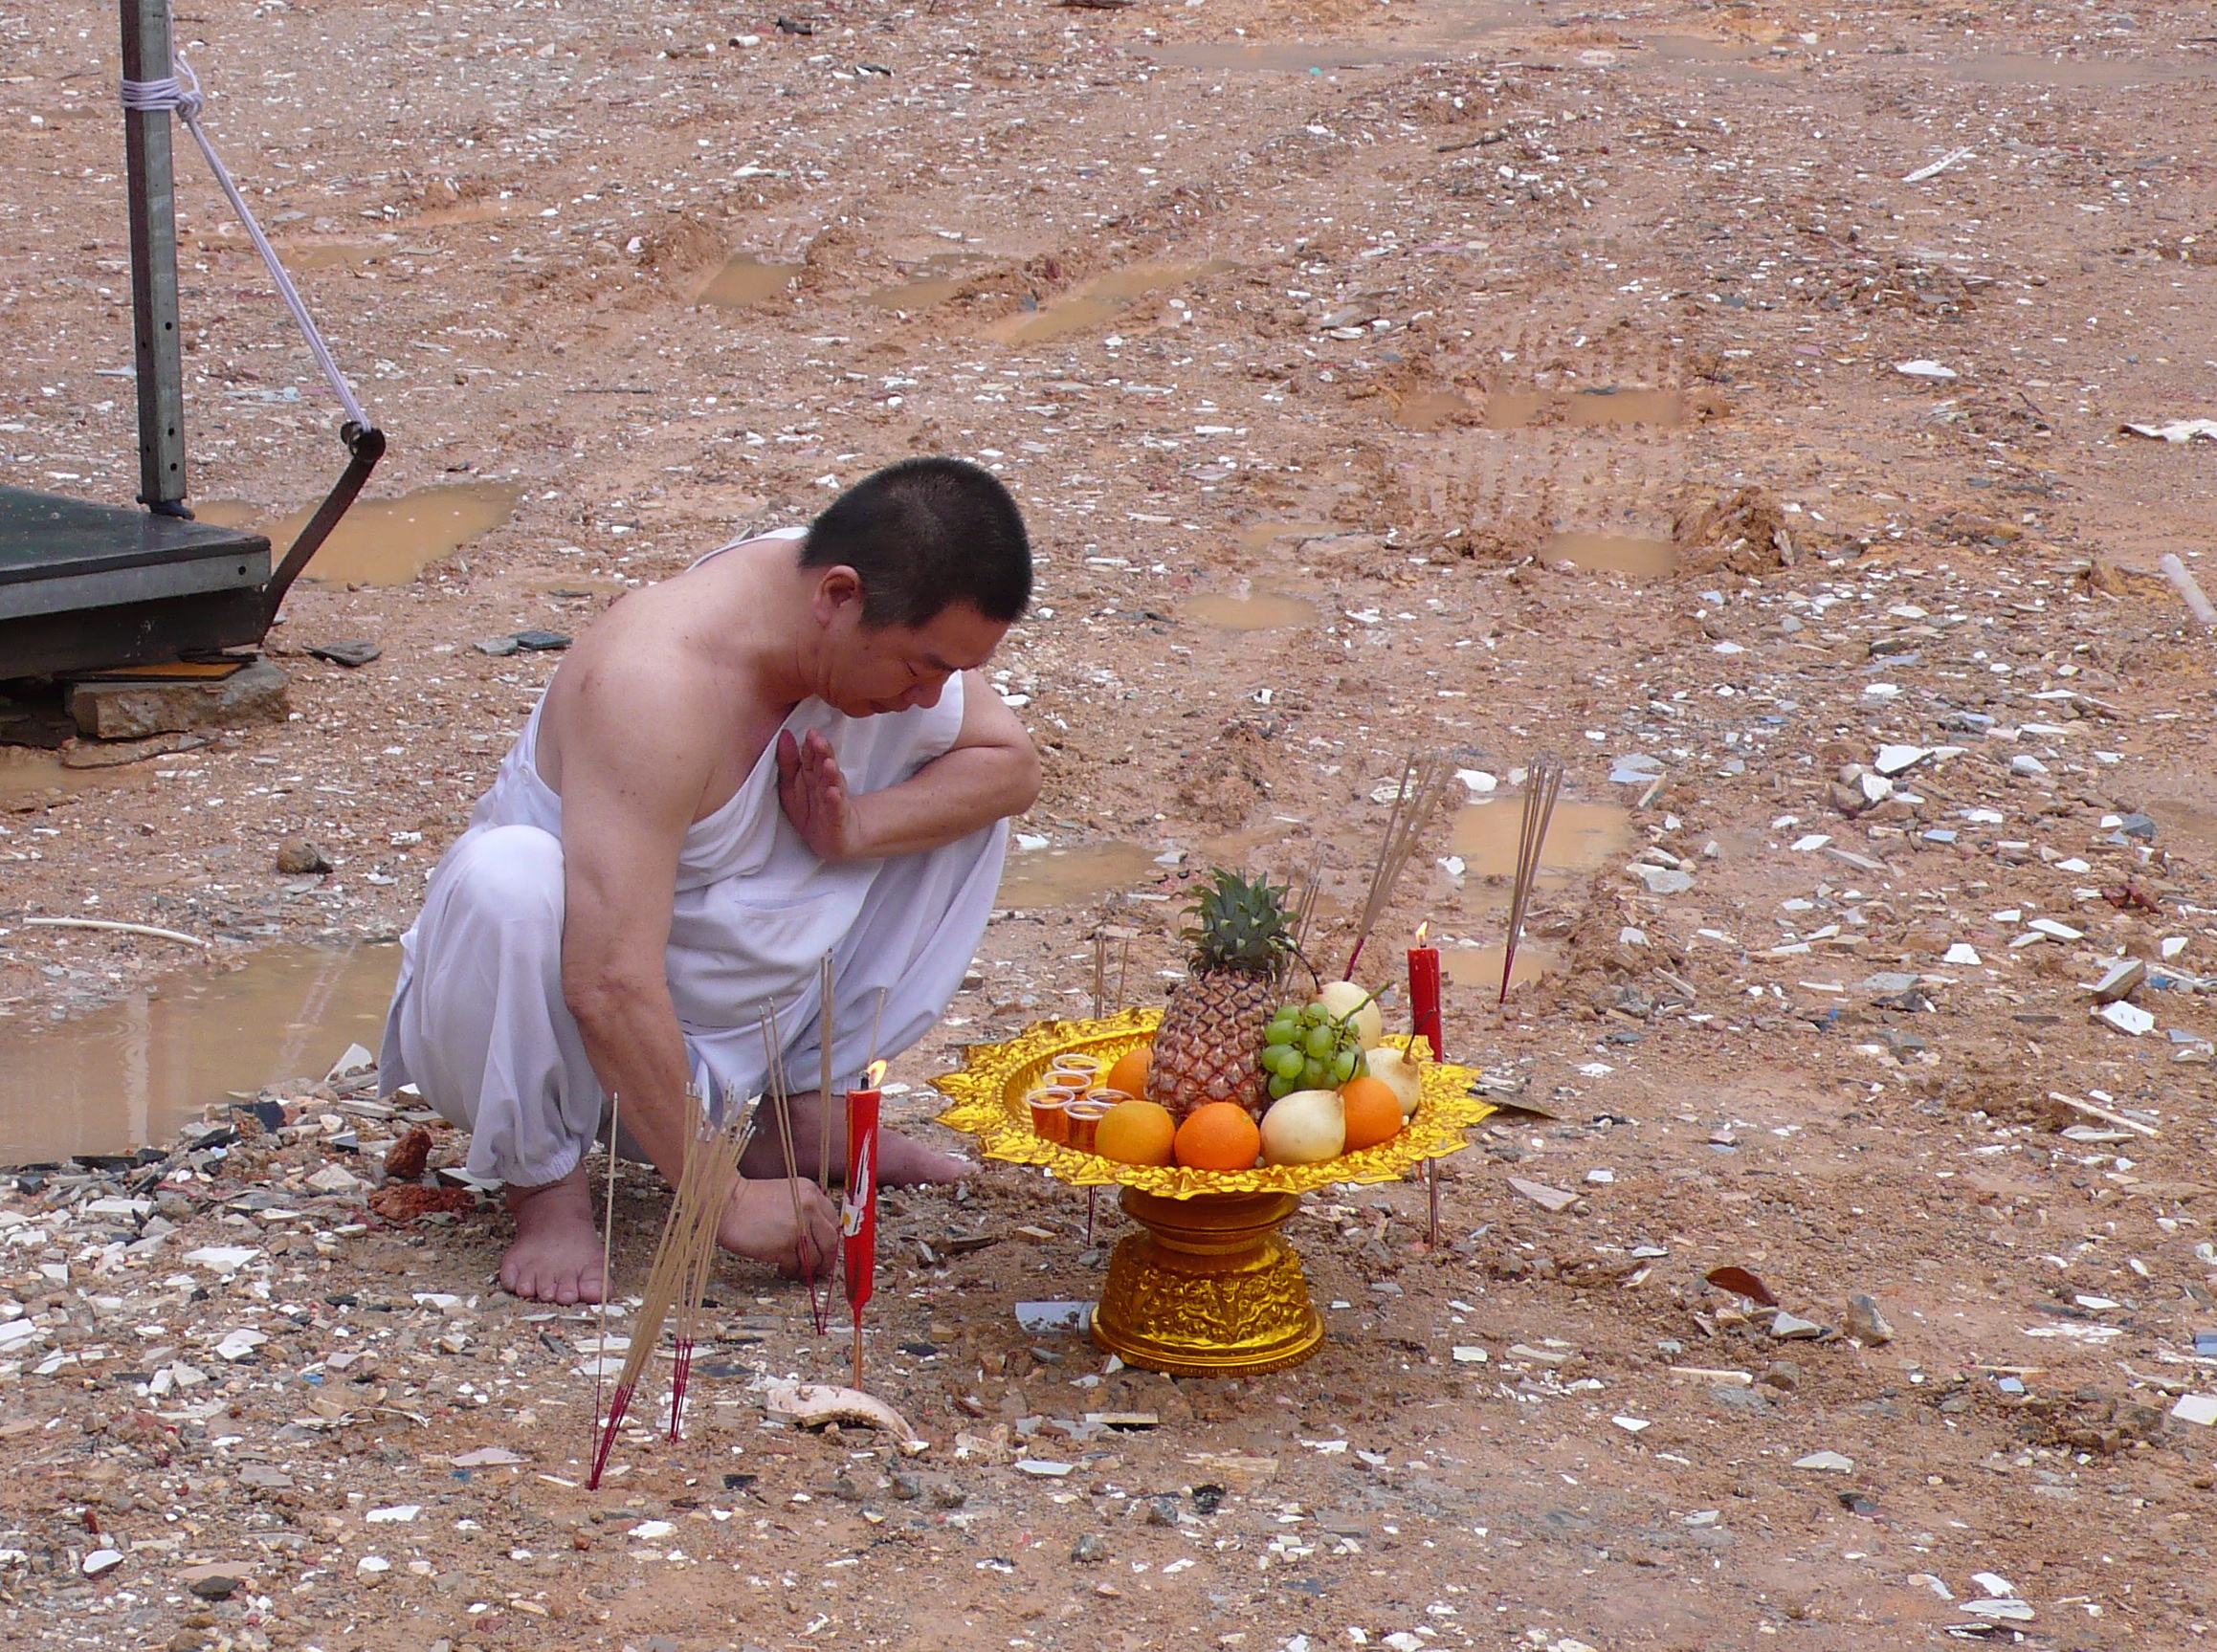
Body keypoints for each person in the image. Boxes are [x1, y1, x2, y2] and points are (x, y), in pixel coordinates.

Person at [379, 458, 1039, 1304]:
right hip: (577, 1030)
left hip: (720, 1015)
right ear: (838, 596)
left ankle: (797, 1111)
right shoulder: (654, 682)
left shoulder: (860, 611)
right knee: (507, 880)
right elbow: (606, 979)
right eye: (923, 667)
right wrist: (715, 1201)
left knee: (958, 796)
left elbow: (1010, 765)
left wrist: (856, 828)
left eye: (952, 672)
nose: (930, 696)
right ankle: (545, 1183)